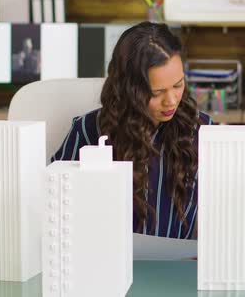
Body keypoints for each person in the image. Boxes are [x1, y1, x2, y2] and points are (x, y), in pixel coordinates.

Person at [52, 22, 212, 239]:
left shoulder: (202, 131)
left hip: (178, 265)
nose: (172, 101)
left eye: (178, 85)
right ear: (129, 89)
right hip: (104, 262)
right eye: (156, 93)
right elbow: (53, 206)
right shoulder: (88, 130)